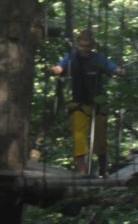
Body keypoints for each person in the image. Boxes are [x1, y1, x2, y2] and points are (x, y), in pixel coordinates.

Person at [48, 29, 123, 176]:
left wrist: (120, 71)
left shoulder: (99, 58)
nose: (84, 49)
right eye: (82, 45)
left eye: (87, 46)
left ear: (92, 46)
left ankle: (103, 168)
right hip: (79, 103)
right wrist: (52, 70)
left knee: (100, 138)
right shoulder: (71, 57)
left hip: (99, 103)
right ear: (77, 44)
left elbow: (114, 68)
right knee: (79, 136)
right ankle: (81, 170)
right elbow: (59, 68)